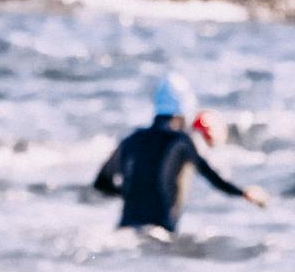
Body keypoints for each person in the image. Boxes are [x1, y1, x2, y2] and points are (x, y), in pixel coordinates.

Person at [94, 74, 267, 232]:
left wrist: (134, 194)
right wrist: (243, 193)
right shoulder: (181, 141)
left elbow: (101, 183)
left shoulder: (131, 140)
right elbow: (212, 176)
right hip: (159, 232)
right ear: (184, 110)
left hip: (126, 229)